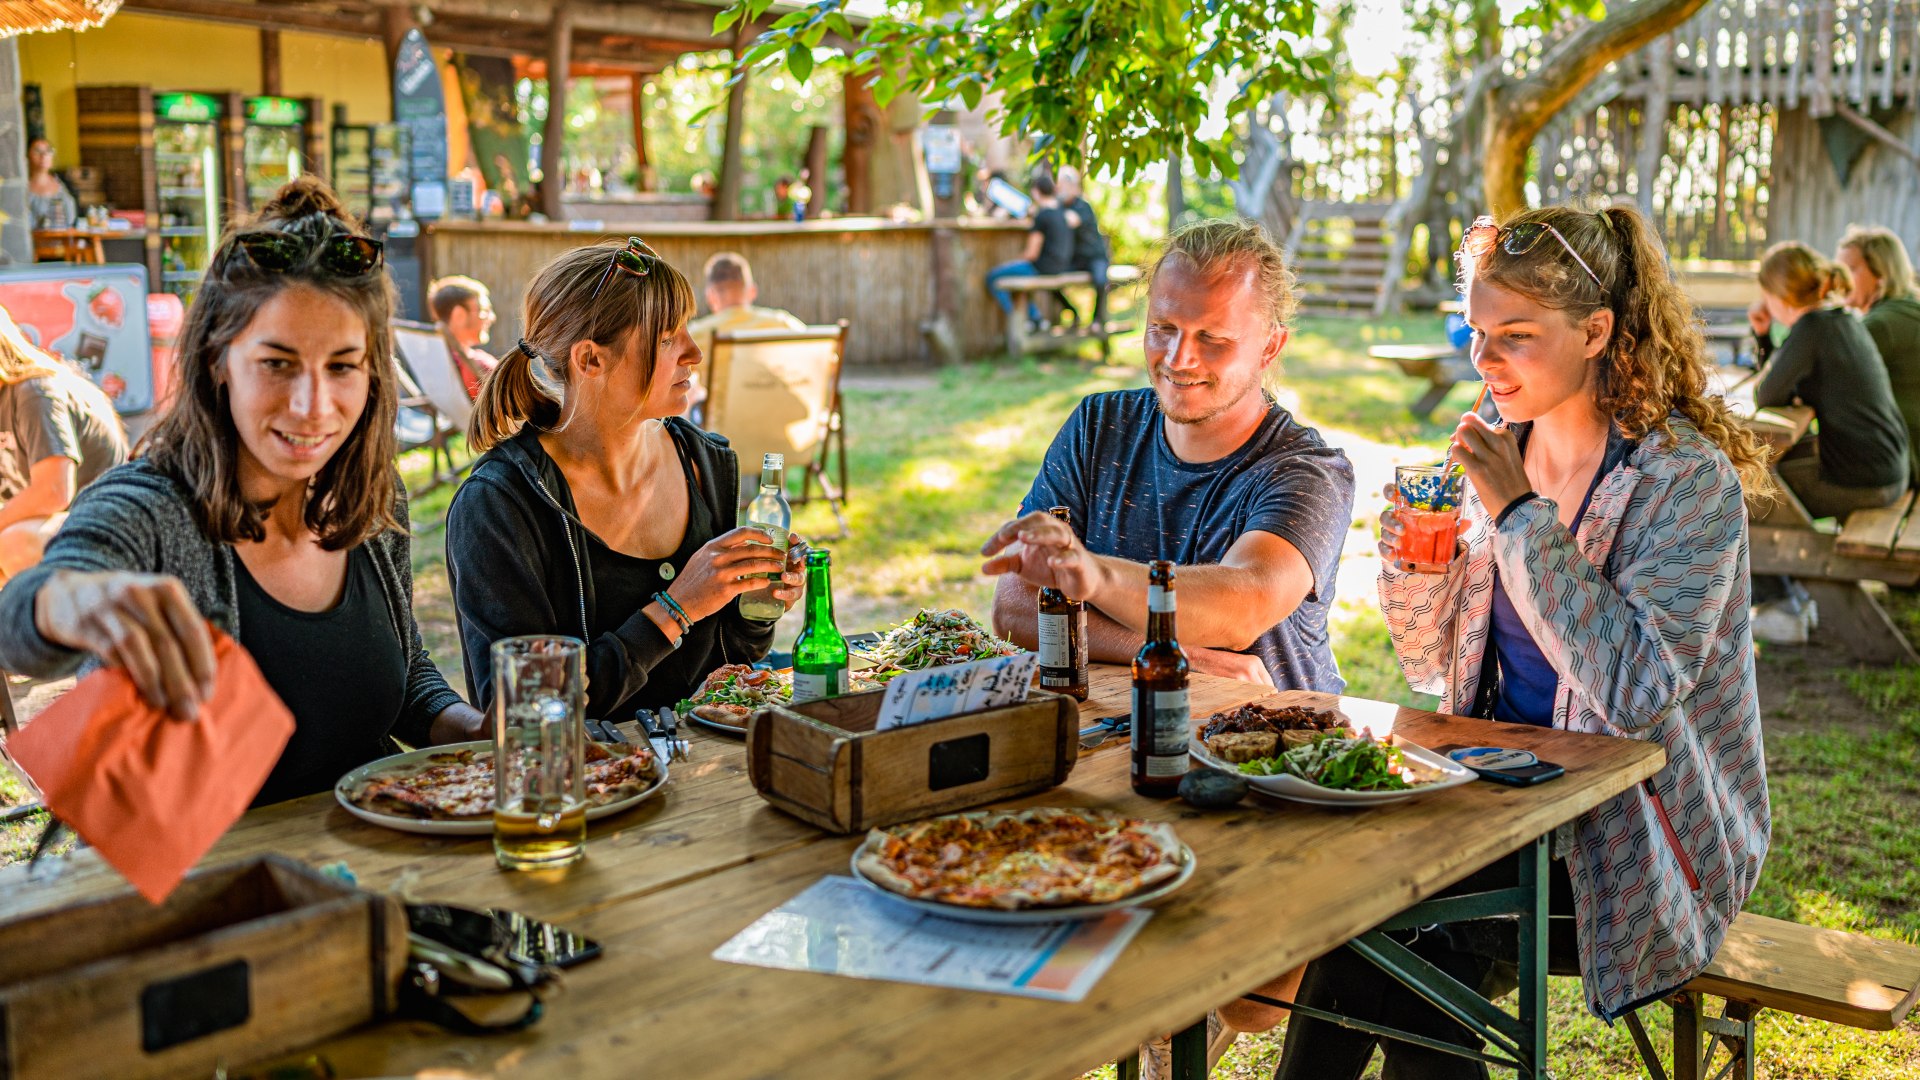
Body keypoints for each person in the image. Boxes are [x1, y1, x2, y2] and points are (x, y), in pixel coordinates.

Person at [1277, 205, 1772, 1078]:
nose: (1485, 359)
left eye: (1514, 334)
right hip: (1496, 801)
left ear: (1595, 331)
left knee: (1383, 943)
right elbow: (1431, 664)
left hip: (1636, 845)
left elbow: (1639, 691)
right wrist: (1416, 569)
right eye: (1475, 332)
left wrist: (1517, 516)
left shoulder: (1683, 484)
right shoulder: (1499, 447)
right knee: (1369, 920)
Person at [0, 178, 485, 807]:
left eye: (341, 365)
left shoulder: (370, 495)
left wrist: (472, 727)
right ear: (215, 362)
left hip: (388, 885)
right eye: (277, 363)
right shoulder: (149, 508)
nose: (312, 407)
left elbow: (404, 671)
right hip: (222, 895)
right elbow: (21, 621)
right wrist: (70, 602)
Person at [984, 217, 1354, 691]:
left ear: (1270, 345)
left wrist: (1094, 578)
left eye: (1213, 338)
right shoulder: (1099, 425)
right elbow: (1015, 606)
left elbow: (1244, 604)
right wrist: (1166, 655)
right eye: (1163, 327)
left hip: (1274, 748)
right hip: (1121, 725)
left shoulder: (1307, 471)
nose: (1178, 358)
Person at [445, 240, 805, 722]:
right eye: (666, 338)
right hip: (588, 784)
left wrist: (756, 602)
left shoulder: (704, 462)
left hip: (712, 769)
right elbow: (525, 714)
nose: (695, 353)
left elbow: (734, 660)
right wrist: (674, 610)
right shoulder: (500, 506)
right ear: (590, 360)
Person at [0, 305, 127, 579]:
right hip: (68, 525)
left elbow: (55, 490)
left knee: (13, 543)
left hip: (111, 528)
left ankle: (49, 620)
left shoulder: (35, 392)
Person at [1836, 225, 1920, 485]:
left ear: (1881, 272)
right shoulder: (1907, 308)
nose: (1840, 279)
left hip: (1907, 463)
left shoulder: (1880, 325)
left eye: (1851, 269)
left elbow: (1819, 383)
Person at [984, 174, 1077, 331]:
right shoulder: (1062, 212)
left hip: (1042, 268)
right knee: (1018, 283)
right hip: (1062, 266)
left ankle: (1021, 320)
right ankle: (1036, 319)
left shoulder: (1042, 216)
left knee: (992, 277)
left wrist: (1015, 261)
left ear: (1036, 192)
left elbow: (1032, 253)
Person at [1057, 167, 1113, 332]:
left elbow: (1072, 221)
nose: (1061, 190)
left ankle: (1097, 320)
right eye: (1059, 186)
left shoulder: (1083, 206)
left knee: (1100, 280)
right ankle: (1073, 312)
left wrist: (1051, 214)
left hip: (1095, 256)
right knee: (1050, 280)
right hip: (1075, 259)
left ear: (1074, 187)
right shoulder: (1059, 206)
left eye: (1064, 186)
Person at [427, 275, 500, 400]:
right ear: (459, 315)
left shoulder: (432, 361)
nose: (492, 318)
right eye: (484, 310)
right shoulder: (479, 366)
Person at [26, 139, 77, 231]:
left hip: (64, 239)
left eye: (48, 151)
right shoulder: (21, 187)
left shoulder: (63, 182)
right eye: (37, 151)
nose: (44, 155)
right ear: (27, 156)